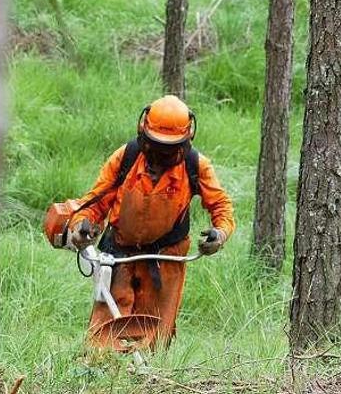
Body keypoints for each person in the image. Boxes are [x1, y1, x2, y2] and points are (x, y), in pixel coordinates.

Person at [65, 95, 235, 349]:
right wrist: (81, 225)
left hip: (166, 257)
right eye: (155, 145)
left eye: (169, 149)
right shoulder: (127, 157)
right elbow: (95, 202)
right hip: (119, 253)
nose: (160, 154)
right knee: (104, 335)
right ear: (143, 133)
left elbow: (221, 206)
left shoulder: (194, 165)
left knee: (154, 334)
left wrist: (219, 235)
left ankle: (151, 381)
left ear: (186, 140)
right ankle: (99, 375)